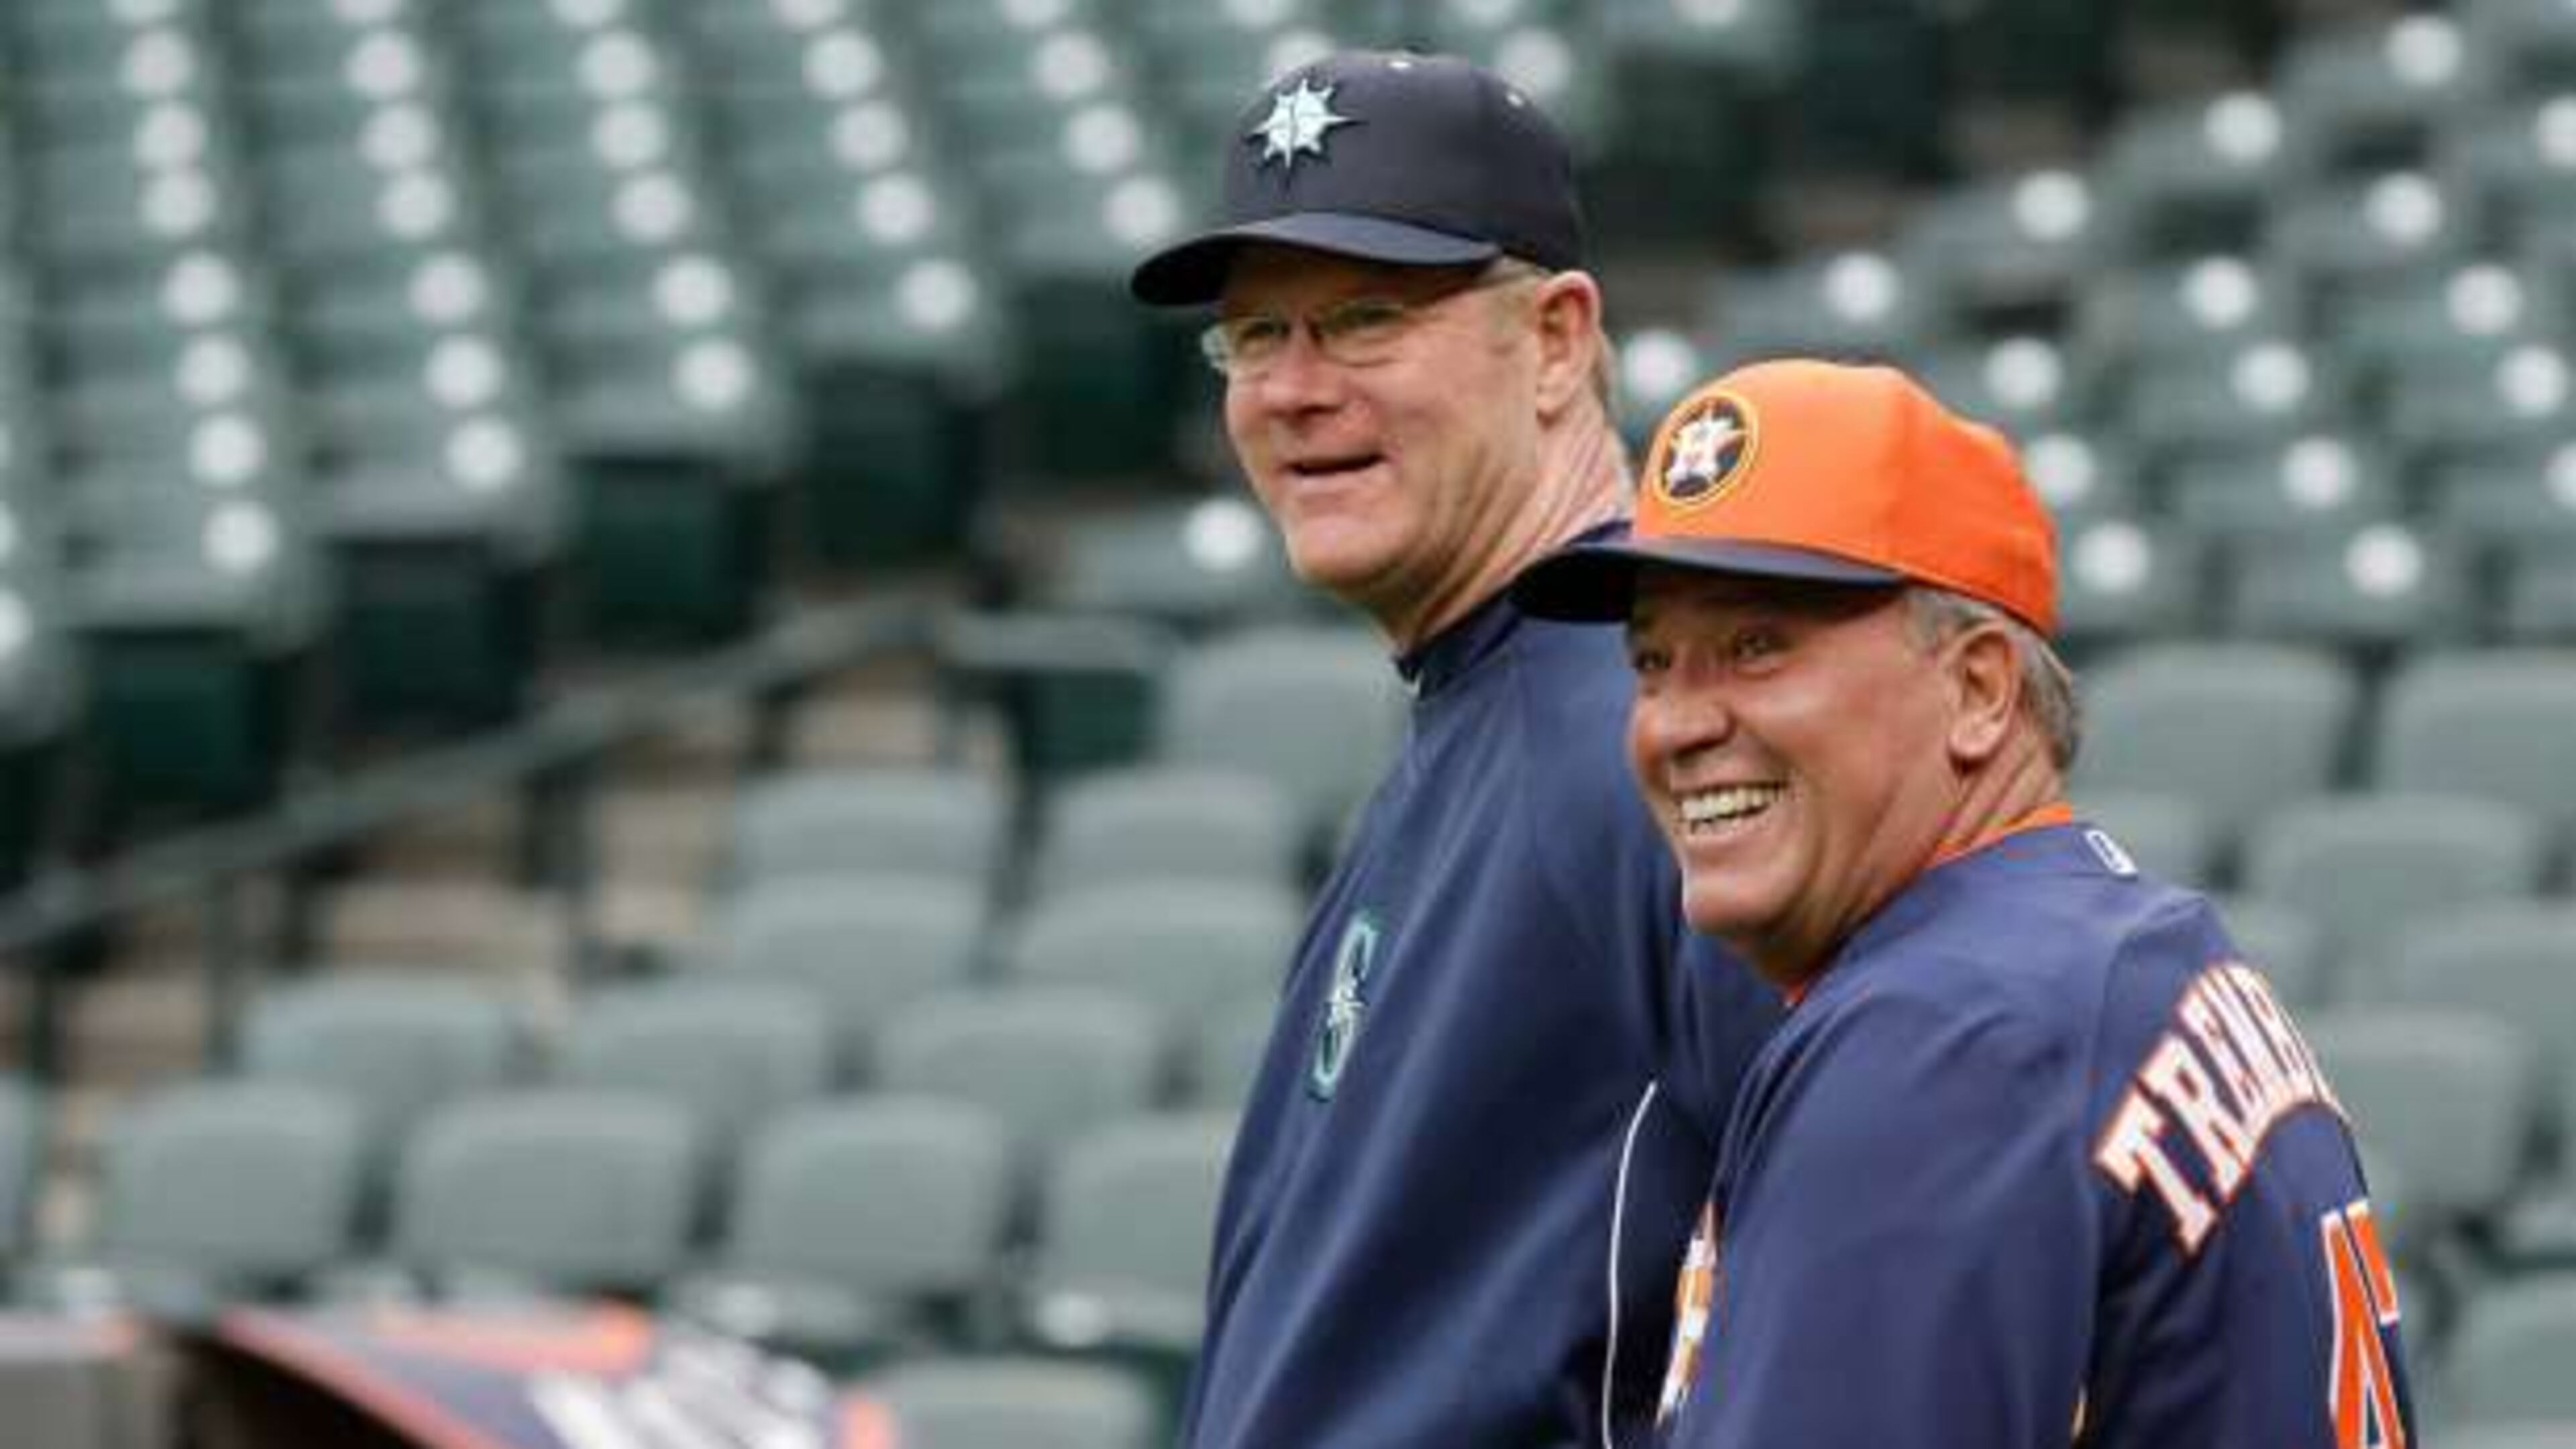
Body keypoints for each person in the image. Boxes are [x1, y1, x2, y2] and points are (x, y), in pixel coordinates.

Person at [1511, 358, 2418, 1446]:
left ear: (1980, 690)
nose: (1676, 725)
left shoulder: (1944, 1035)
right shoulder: (2120, 956)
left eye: (1758, 647)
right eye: (1654, 664)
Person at [1128, 49, 1778, 1449]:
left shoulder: (1646, 730)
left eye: (1364, 320)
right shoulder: (1495, 692)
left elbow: (1878, 1263)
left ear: (1553, 342)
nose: (1293, 390)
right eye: (1254, 336)